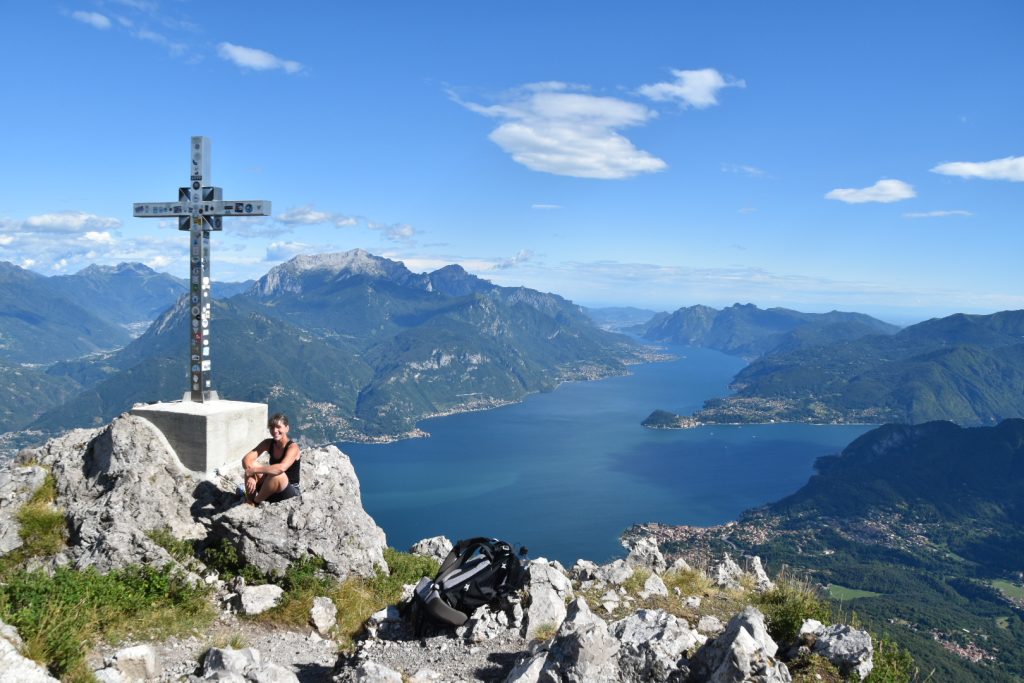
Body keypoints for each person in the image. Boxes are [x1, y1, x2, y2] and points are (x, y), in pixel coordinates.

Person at [241, 413, 301, 505]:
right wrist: (252, 475)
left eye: (278, 427)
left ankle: (256, 502)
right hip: (270, 488)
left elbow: (281, 468)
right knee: (250, 466)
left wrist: (254, 471)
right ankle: (250, 500)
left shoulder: (293, 448)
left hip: (288, 491)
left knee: (278, 474)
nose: (275, 430)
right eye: (272, 427)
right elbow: (246, 459)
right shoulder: (268, 443)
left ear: (286, 428)